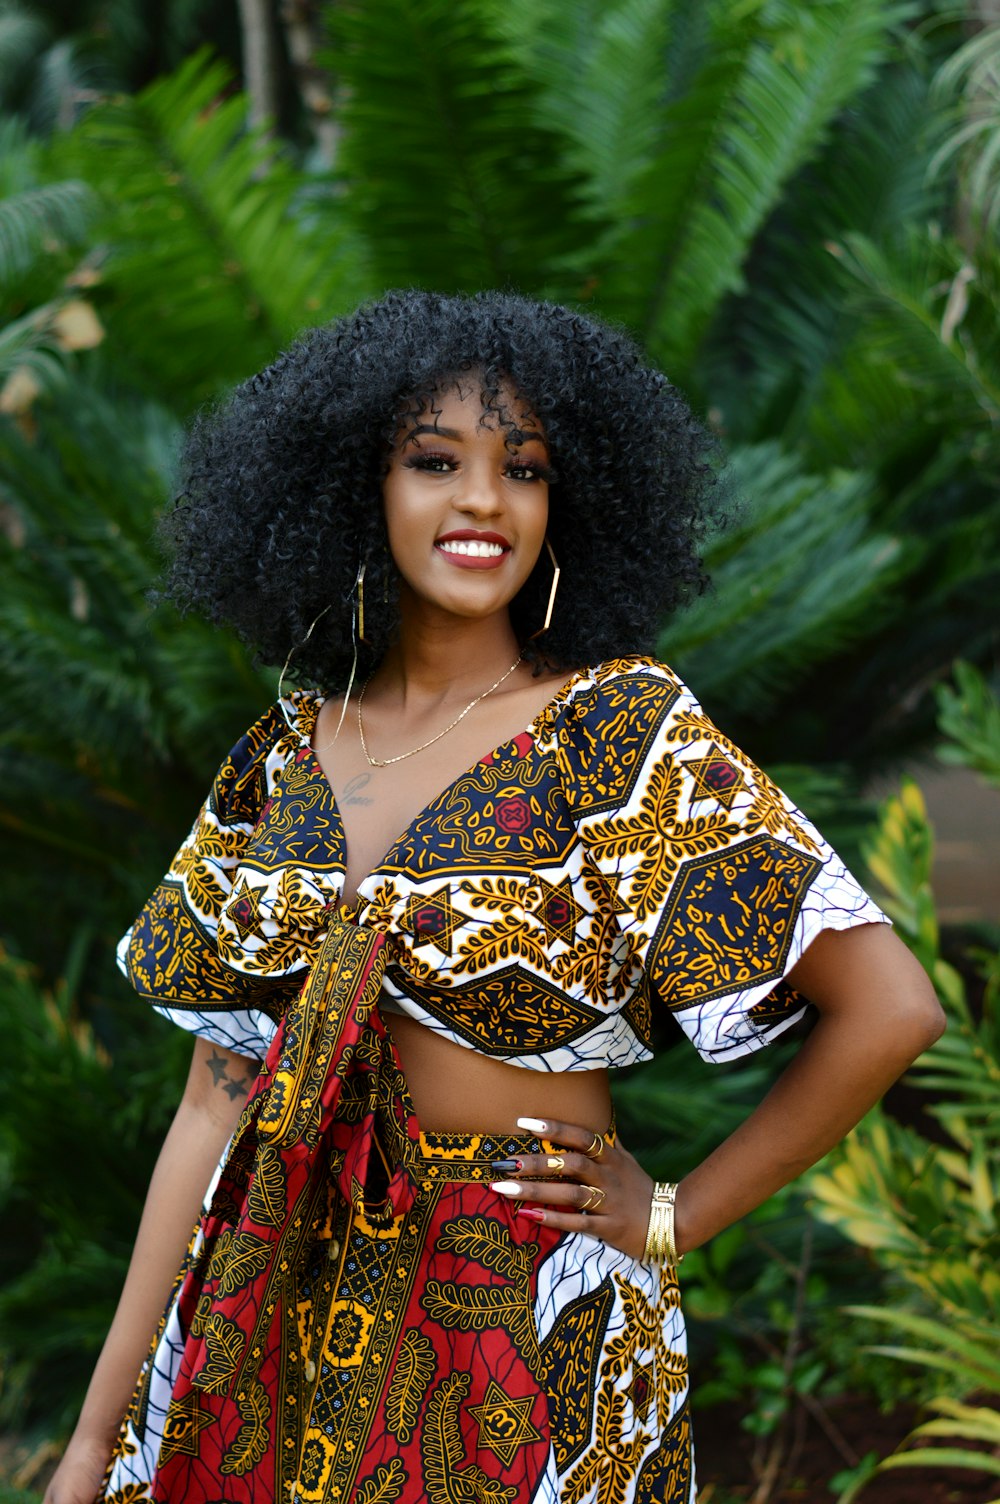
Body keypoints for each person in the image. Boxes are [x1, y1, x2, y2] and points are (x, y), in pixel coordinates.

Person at [45, 290, 944, 1504]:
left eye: (522, 468)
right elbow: (213, 1106)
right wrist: (101, 1437)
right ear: (350, 490)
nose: (482, 500)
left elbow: (889, 1005)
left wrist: (675, 1214)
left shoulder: (617, 730)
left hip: (527, 1325)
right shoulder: (282, 753)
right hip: (269, 1305)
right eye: (433, 461)